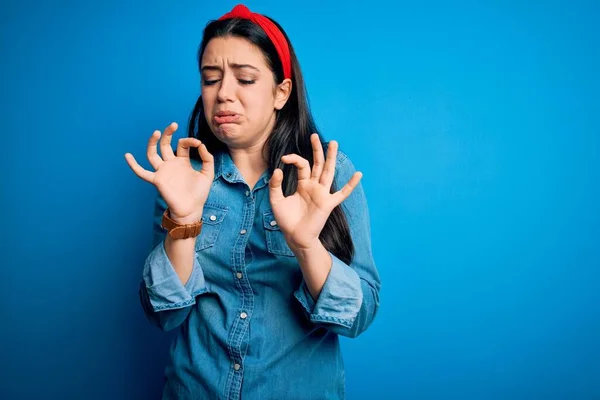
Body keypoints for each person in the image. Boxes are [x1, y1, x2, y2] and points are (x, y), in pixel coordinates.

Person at [124, 4, 381, 399]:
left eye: (245, 79)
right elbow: (163, 313)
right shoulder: (183, 178)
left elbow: (357, 317)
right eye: (211, 80)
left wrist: (307, 246)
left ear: (281, 92)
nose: (224, 94)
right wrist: (183, 221)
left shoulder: (328, 175)